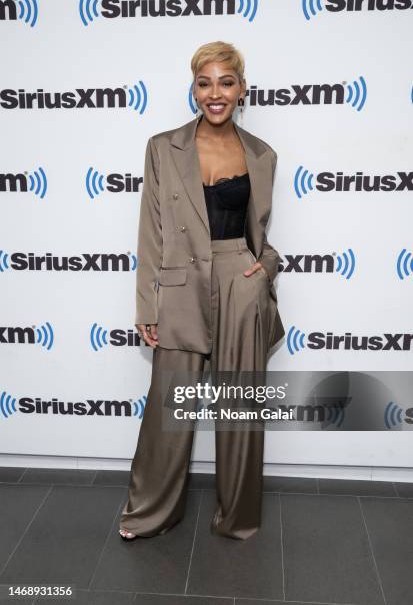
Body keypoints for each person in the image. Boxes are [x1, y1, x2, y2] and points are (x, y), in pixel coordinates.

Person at [119, 41, 285, 541]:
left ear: (242, 89)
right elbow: (151, 231)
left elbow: (262, 235)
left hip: (240, 280)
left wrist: (264, 270)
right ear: (194, 89)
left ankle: (238, 518)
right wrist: (148, 304)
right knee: (170, 409)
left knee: (239, 407)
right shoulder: (162, 146)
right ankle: (150, 512)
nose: (216, 94)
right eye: (205, 83)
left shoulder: (261, 154)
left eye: (226, 83)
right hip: (181, 285)